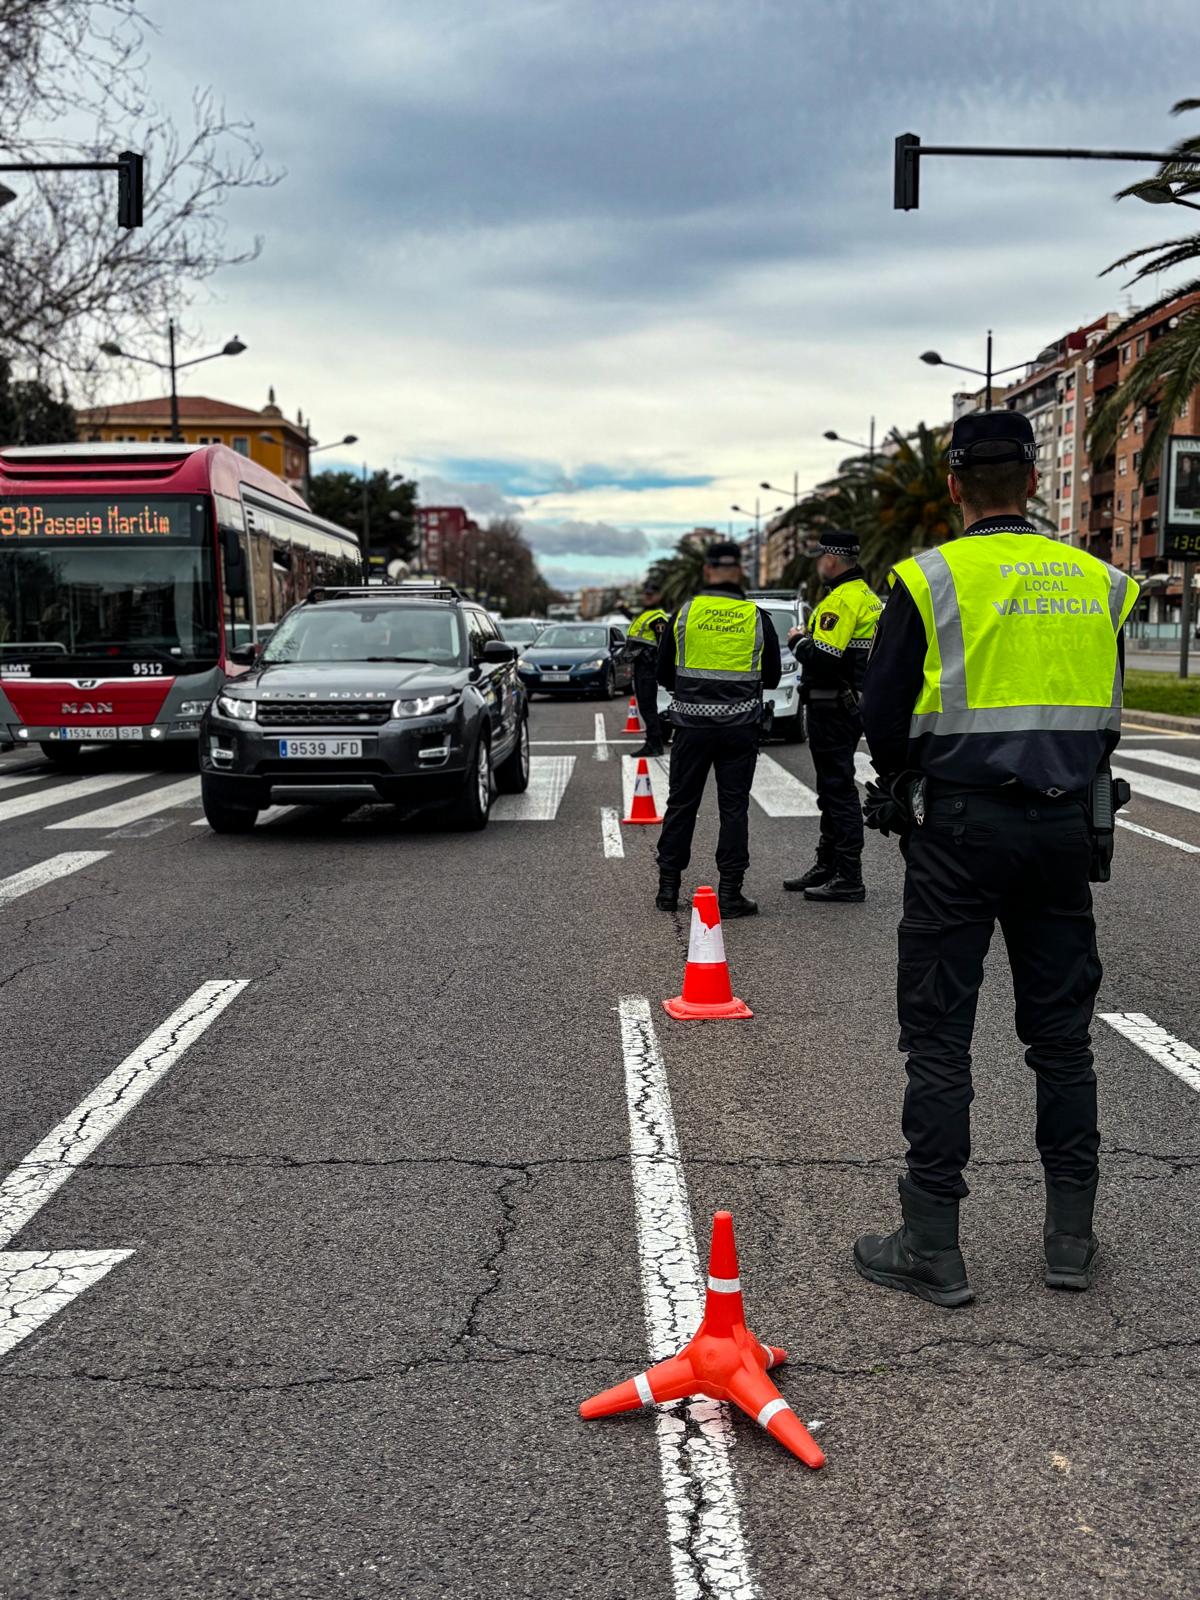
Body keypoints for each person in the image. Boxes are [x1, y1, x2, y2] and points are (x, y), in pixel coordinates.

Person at [853, 410, 1138, 1307]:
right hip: (1064, 830)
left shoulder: (931, 577)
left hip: (960, 833)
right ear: (1035, 482)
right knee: (1062, 1039)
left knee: (940, 1036)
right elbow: (1108, 717)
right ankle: (1071, 1242)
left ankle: (932, 1241)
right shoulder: (1099, 581)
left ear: (953, 486)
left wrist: (904, 780)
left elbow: (884, 715)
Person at [655, 541, 782, 917]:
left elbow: (664, 674)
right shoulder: (757, 617)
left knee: (681, 804)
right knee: (733, 808)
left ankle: (667, 889)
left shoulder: (685, 613)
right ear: (739, 572)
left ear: (707, 572)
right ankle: (730, 894)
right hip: (740, 727)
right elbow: (772, 676)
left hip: (691, 727)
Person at [783, 530, 881, 902]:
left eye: (820, 557)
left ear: (832, 560)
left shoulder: (841, 601)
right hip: (851, 702)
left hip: (832, 705)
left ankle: (849, 875)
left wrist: (797, 640)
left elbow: (824, 658)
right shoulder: (868, 598)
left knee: (837, 790)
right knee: (831, 788)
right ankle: (827, 864)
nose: (819, 563)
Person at [625, 585, 670, 756]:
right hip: (641, 666)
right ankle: (653, 743)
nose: (647, 597)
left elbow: (662, 646)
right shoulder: (644, 614)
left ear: (659, 596)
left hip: (648, 668)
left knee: (648, 708)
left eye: (651, 594)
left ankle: (654, 745)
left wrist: (655, 666)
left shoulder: (658, 617)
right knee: (645, 707)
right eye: (646, 594)